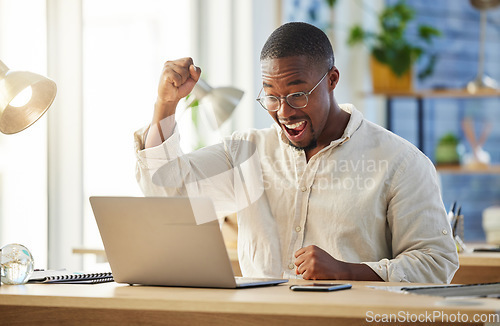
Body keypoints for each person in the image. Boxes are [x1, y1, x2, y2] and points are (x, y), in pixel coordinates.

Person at [134, 22, 459, 283]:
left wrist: (348, 271)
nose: (284, 112)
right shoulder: (245, 152)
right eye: (272, 97)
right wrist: (166, 104)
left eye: (298, 94)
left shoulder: (400, 162)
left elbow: (436, 263)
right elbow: (167, 192)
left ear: (332, 80)